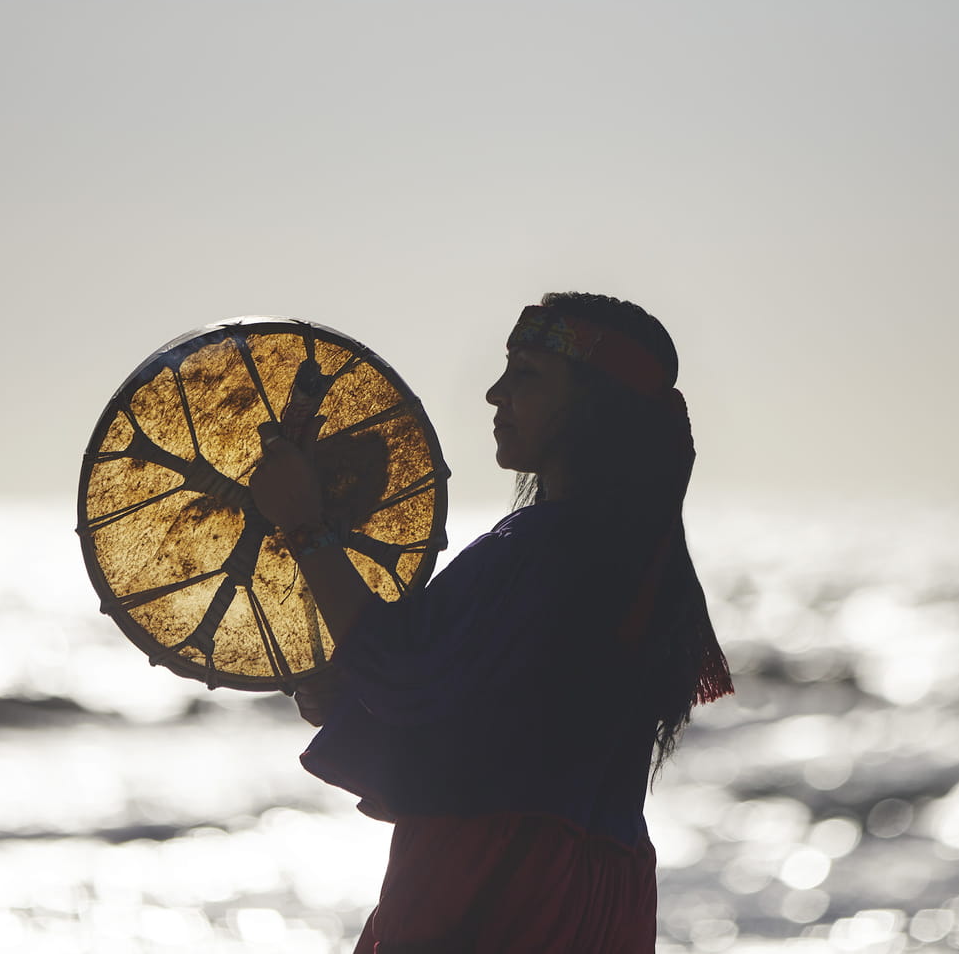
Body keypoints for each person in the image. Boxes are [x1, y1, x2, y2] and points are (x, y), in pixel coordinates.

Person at [250, 292, 732, 952]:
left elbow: (403, 672)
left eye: (526, 374)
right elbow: (492, 730)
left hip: (494, 887)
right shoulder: (640, 564)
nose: (494, 392)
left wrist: (305, 526)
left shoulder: (545, 547)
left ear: (594, 405)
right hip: (605, 895)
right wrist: (351, 695)